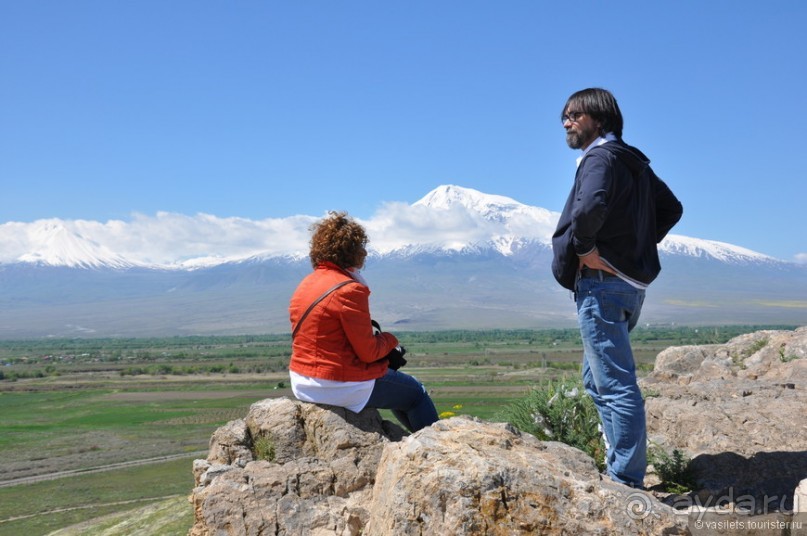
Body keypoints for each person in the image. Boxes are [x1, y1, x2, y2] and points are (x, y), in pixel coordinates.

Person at [551, 88, 683, 488]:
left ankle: (624, 480)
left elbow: (588, 207)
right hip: (629, 285)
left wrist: (587, 248)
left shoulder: (600, 157)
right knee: (596, 380)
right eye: (564, 116)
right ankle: (619, 462)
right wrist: (632, 246)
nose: (566, 122)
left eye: (574, 114)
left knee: (615, 385)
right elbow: (671, 208)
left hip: (603, 285)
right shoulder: (631, 161)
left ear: (599, 119)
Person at [288, 211, 439, 433]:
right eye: (360, 246)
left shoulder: (308, 283)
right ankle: (435, 448)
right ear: (348, 251)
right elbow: (368, 352)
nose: (365, 251)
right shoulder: (349, 289)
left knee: (399, 385)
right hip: (335, 383)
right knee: (416, 392)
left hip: (303, 380)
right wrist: (389, 340)